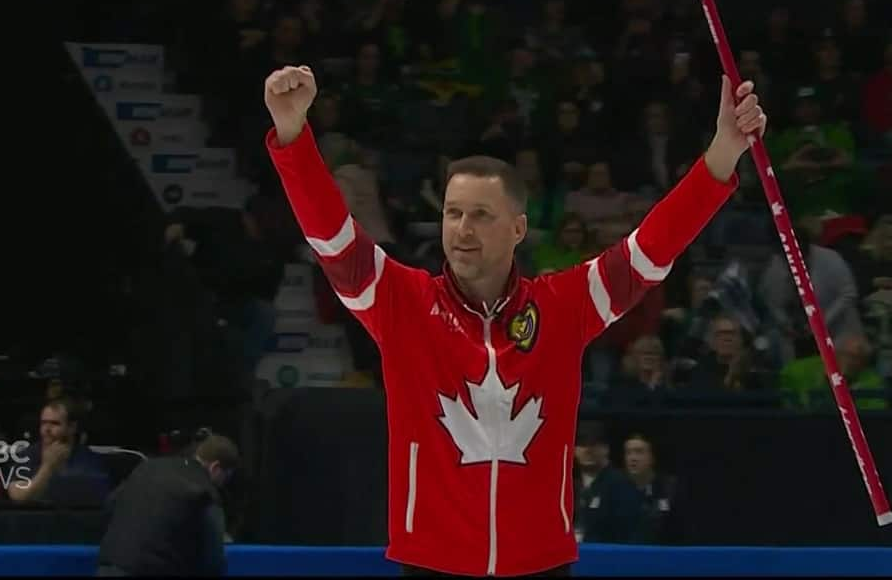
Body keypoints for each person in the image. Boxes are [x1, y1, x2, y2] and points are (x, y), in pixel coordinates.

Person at [262, 64, 766, 576]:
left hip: (541, 565)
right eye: (453, 213)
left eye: (481, 215)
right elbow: (332, 239)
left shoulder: (562, 307)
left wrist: (722, 153)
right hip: (431, 564)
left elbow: (649, 252)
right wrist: (293, 136)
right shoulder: (402, 304)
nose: (462, 229)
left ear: (519, 227)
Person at [97, 434, 239, 577]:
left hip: (109, 566)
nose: (222, 485)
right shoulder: (205, 493)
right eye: (225, 477)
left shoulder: (148, 467)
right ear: (215, 467)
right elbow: (213, 560)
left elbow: (110, 504)